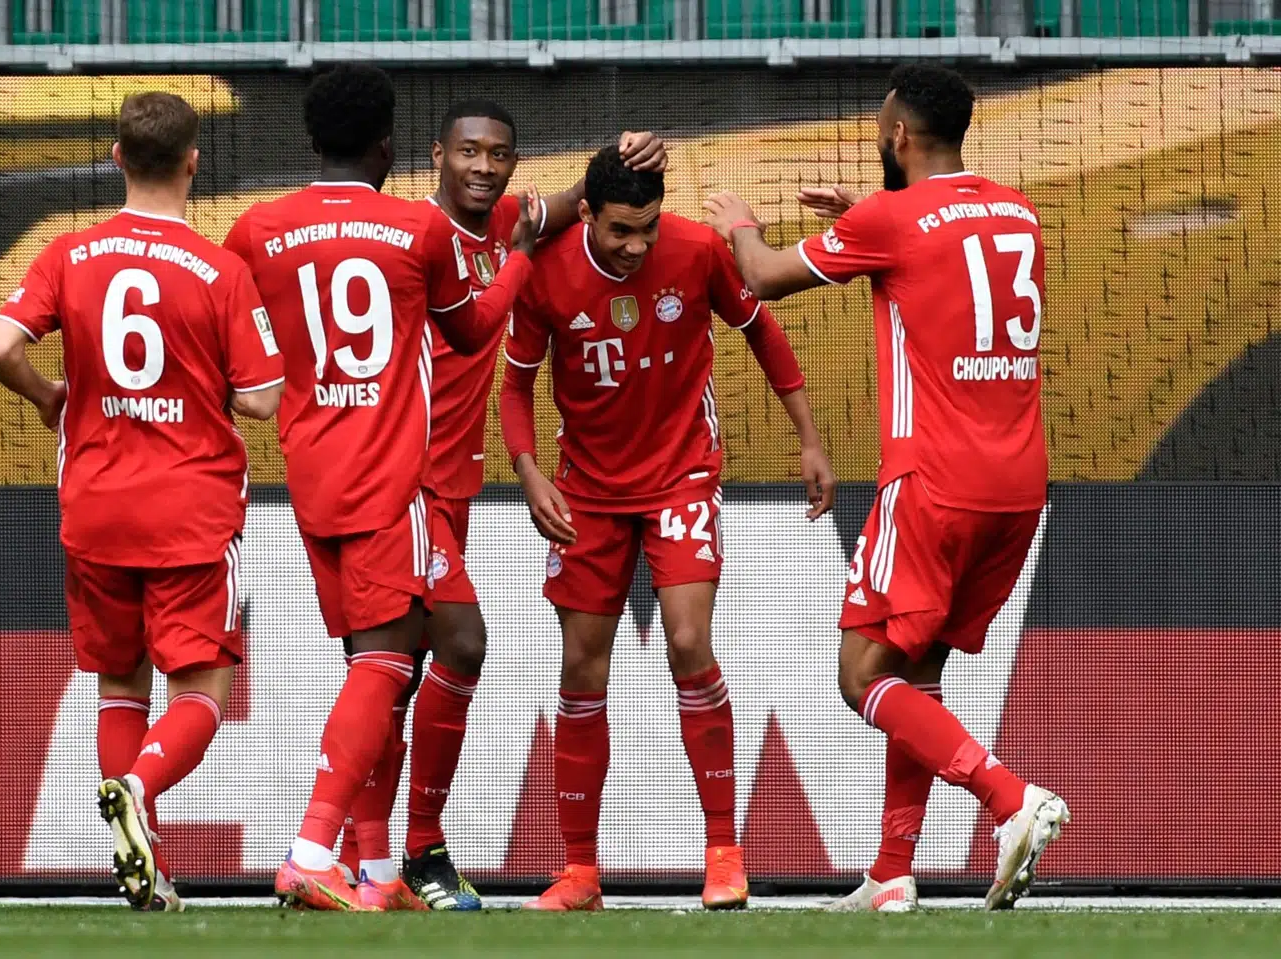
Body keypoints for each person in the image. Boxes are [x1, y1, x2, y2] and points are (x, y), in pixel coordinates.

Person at [703, 62, 1068, 912]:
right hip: (1018, 483)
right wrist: (860, 220)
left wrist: (741, 222)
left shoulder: (891, 217)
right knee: (918, 668)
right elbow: (939, 255)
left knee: (862, 672)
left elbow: (758, 276)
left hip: (934, 478)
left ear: (898, 133)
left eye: (881, 123)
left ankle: (1011, 799)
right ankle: (893, 870)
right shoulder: (1017, 210)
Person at [334, 97, 669, 912]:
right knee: (440, 652)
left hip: (451, 491)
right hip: (396, 484)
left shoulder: (515, 219)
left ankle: (382, 856)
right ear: (435, 155)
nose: (484, 167)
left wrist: (620, 144)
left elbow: (584, 200)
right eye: (469, 153)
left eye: (500, 155)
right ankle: (395, 850)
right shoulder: (412, 237)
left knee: (409, 669)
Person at [222, 63, 538, 912]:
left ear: (311, 140)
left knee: (385, 659)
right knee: (396, 659)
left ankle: (374, 871)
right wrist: (514, 263)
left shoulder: (256, 229)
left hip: (311, 476)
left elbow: (218, 332)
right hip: (392, 479)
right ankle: (309, 850)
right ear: (391, 147)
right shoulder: (415, 230)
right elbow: (471, 331)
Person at [499, 144, 836, 911]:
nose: (638, 245)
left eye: (647, 228)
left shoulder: (692, 249)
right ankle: (580, 872)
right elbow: (514, 386)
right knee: (582, 670)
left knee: (689, 640)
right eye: (621, 230)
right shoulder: (545, 269)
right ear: (585, 212)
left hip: (682, 470)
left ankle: (724, 853)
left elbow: (763, 333)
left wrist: (810, 439)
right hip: (585, 487)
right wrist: (527, 472)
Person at [0, 91, 285, 912]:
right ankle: (138, 793)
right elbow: (261, 399)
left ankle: (145, 863)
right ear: (194, 162)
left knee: (121, 685)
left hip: (94, 505)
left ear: (115, 158)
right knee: (202, 695)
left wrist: (50, 395)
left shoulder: (71, 253)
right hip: (187, 509)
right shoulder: (220, 270)